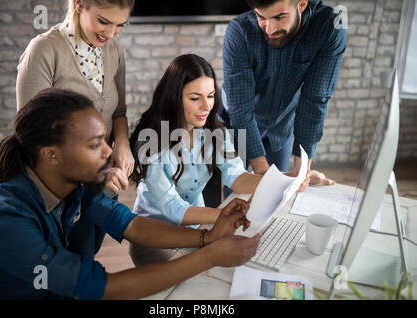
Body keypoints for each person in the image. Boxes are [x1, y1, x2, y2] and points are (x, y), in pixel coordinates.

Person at [0, 88, 260, 300]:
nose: (110, 152)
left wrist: (206, 238)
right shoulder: (4, 222)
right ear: (51, 155)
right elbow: (104, 289)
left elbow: (132, 225)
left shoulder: (77, 187)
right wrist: (208, 257)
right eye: (95, 145)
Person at [128, 54, 308, 266]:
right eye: (195, 98)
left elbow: (238, 177)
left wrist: (288, 180)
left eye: (211, 96)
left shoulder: (214, 133)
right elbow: (173, 208)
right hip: (154, 234)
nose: (207, 106)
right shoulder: (150, 142)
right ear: (174, 97)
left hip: (197, 226)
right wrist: (223, 215)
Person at [221, 0, 346, 185]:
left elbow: (315, 99)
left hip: (279, 125)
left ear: (302, 4)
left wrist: (303, 171)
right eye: (261, 17)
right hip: (235, 122)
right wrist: (264, 175)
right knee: (236, 192)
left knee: (274, 198)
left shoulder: (329, 27)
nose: (270, 29)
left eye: (279, 17)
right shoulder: (239, 31)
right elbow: (240, 109)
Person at [16, 0, 134, 194]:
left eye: (121, 24)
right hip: (58, 190)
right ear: (80, 4)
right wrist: (93, 173)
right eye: (103, 21)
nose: (112, 34)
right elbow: (32, 134)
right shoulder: (43, 49)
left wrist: (123, 142)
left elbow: (118, 112)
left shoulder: (115, 51)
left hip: (105, 184)